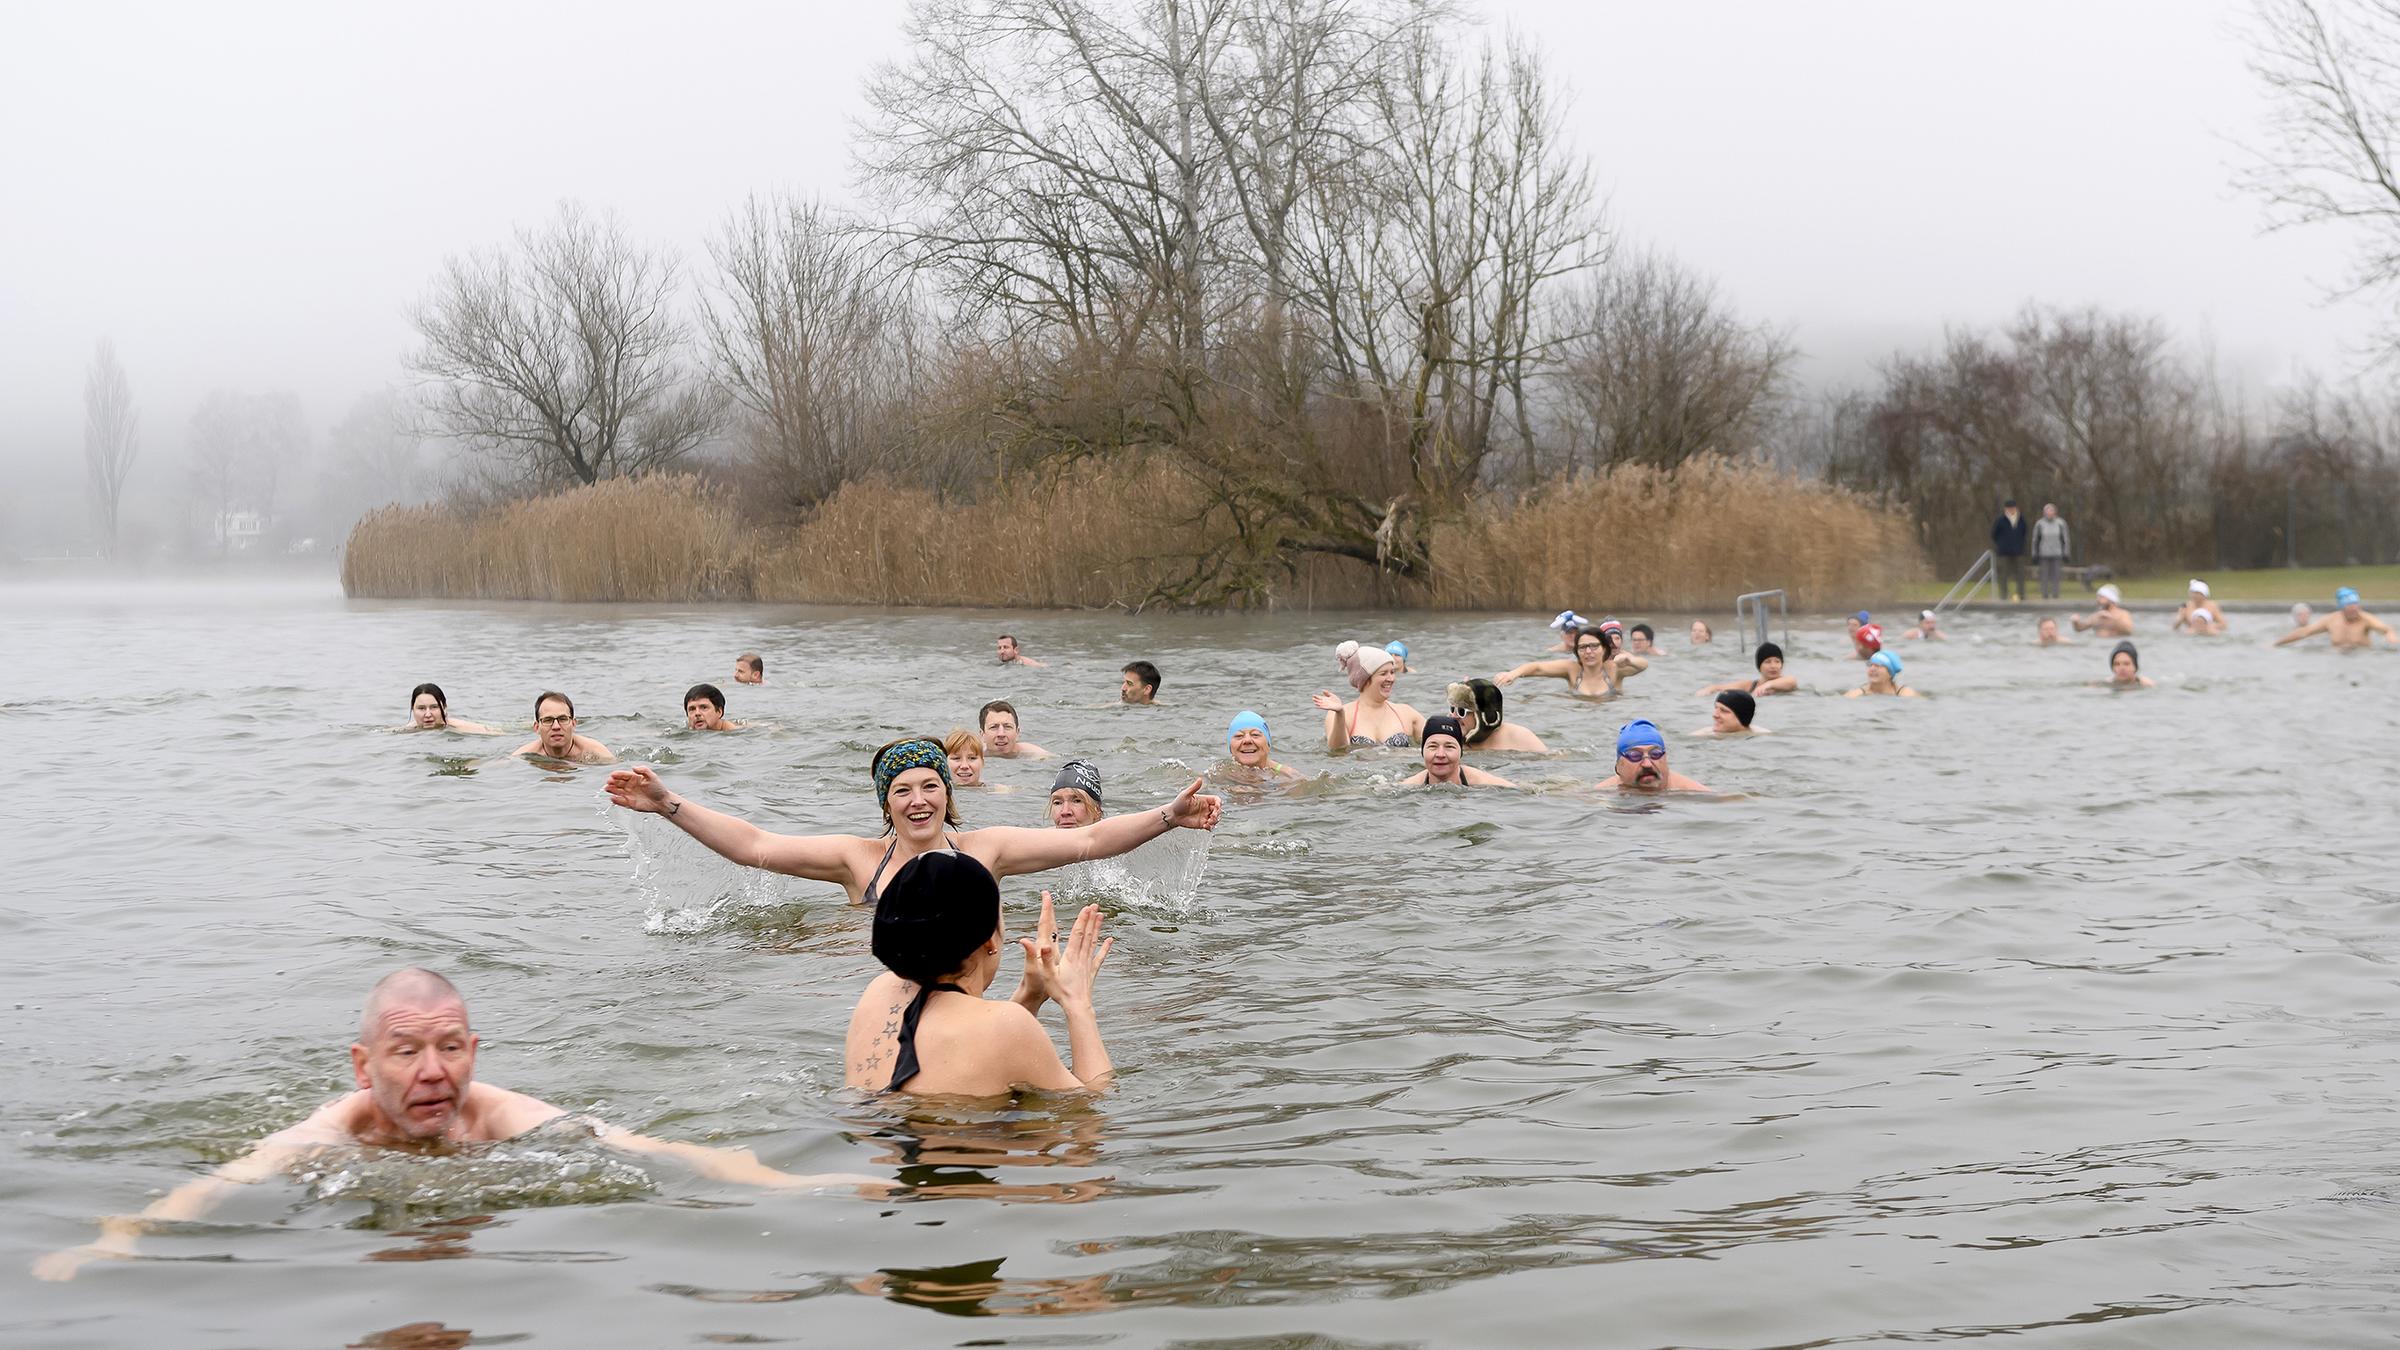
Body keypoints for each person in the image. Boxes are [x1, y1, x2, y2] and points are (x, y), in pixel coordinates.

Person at [35, 968, 877, 1281]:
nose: (432, 1072)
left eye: (448, 1048)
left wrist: (803, 1188)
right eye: (405, 1052)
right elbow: (218, 1186)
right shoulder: (329, 1137)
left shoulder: (503, 1117)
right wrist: (107, 1245)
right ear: (364, 1067)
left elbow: (655, 1150)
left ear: (474, 1051)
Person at [604, 739, 1222, 906]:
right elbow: (755, 846)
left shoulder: (987, 850)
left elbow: (1089, 840)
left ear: (947, 796)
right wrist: (668, 804)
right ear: (886, 805)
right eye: (902, 791)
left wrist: (1169, 815)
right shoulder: (857, 861)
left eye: (931, 786)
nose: (918, 799)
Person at [845, 853, 1112, 1095]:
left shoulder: (877, 994)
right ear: (989, 942)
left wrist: (1029, 995)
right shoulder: (1008, 1027)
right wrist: (1077, 1003)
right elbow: (1091, 1112)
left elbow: (976, 1056)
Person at [1315, 640, 1425, 750]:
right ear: (1365, 679)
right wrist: (1340, 714)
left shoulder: (1406, 713)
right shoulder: (1340, 714)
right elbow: (1337, 751)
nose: (1390, 679)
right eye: (1383, 673)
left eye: (1392, 672)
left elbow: (1437, 740)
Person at [1495, 622, 1645, 698]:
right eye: (1583, 647)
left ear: (1604, 648)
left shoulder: (1613, 668)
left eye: (1593, 646)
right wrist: (1512, 674)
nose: (1588, 652)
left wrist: (1629, 660)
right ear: (1577, 651)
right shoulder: (1571, 669)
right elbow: (1537, 667)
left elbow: (1643, 665)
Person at [1400, 715, 1516, 787]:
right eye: (1433, 746)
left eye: (1449, 746)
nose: (1440, 754)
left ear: (1461, 752)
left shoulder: (1485, 783)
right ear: (1422, 751)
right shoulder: (1409, 786)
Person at [1599, 719, 1708, 793]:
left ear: (1666, 760)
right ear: (1618, 767)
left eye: (1655, 754)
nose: (1647, 764)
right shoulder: (1602, 794)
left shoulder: (1694, 793)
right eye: (1635, 755)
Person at [2275, 586, 2400, 649]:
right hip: (2337, 659)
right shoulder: (2331, 620)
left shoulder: (2366, 619)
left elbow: (2386, 629)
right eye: (2350, 608)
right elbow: (2304, 632)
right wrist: (2276, 644)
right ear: (2342, 608)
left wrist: (2391, 635)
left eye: (2356, 607)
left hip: (2362, 659)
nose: (2354, 611)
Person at [1444, 678, 1548, 752]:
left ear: (1487, 716)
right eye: (1452, 709)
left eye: (1461, 711)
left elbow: (1549, 762)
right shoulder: (1444, 740)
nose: (1453, 716)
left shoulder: (1517, 736)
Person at [512, 691, 615, 764]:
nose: (556, 726)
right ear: (537, 727)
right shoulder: (523, 757)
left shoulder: (596, 753)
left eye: (563, 719)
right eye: (548, 720)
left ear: (574, 724)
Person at [1220, 710, 1300, 784]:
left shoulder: (1290, 778)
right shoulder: (1219, 775)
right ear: (1230, 748)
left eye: (1255, 735)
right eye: (1239, 736)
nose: (1247, 740)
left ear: (1268, 744)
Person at [1699, 642, 1799, 698]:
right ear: (1759, 666)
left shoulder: (1787, 681)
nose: (1773, 666)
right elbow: (1720, 688)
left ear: (1782, 665)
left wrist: (1767, 685)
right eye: (1768, 662)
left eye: (1777, 661)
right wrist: (1709, 689)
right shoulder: (1750, 685)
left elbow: (1792, 682)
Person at [401, 683, 496, 735]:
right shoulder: (409, 729)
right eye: (421, 708)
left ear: (445, 708)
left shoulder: (460, 728)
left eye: (434, 707)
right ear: (412, 709)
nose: (428, 714)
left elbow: (497, 734)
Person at [979, 701, 1051, 760]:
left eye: (1007, 727)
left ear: (1017, 733)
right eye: (994, 727)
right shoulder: (974, 754)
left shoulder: (1036, 755)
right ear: (982, 735)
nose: (1001, 734)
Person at [2031, 502, 2071, 600]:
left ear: (2055, 512)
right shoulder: (2040, 524)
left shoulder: (2061, 523)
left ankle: (2055, 595)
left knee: (2056, 576)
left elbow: (2065, 539)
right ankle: (2044, 595)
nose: (2049, 513)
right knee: (2044, 576)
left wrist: (2066, 552)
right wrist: (2034, 553)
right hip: (2043, 554)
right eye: (2047, 512)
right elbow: (2035, 540)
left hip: (2057, 553)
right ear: (2044, 513)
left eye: (2051, 511)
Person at [1047, 759, 1105, 827]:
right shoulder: (1041, 836)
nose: (1065, 812)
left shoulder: (1114, 836)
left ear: (1097, 810)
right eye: (1057, 803)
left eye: (1077, 801)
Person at [1991, 498, 2028, 601]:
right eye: (2009, 508)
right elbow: (1994, 534)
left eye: (2013, 508)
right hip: (2004, 552)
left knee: (2020, 574)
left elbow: (2025, 533)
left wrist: (2020, 544)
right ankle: (2004, 595)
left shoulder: (2021, 520)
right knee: (2003, 574)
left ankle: (2022, 594)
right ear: (2005, 509)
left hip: (2018, 551)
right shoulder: (2000, 520)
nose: (2011, 510)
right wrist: (2001, 544)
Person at [1846, 650, 1921, 698]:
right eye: (1870, 665)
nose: (1872, 669)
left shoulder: (1906, 694)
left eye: (1878, 666)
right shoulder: (1856, 694)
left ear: (1890, 673)